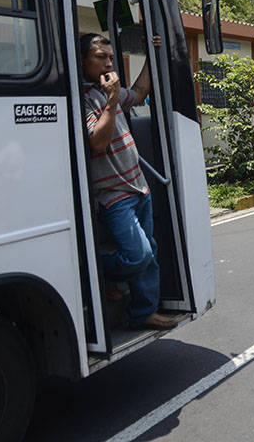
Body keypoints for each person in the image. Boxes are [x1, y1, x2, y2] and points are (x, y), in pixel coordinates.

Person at [81, 32, 175, 330]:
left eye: (110, 58)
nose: (108, 63)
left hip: (138, 186)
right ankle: (99, 273)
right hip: (112, 194)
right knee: (138, 256)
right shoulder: (82, 98)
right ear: (82, 60)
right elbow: (98, 142)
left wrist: (151, 54)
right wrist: (110, 99)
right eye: (100, 58)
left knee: (150, 254)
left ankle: (143, 312)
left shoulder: (109, 90)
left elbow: (141, 91)